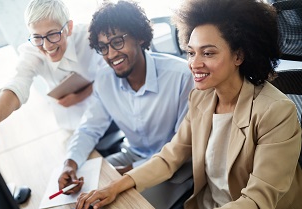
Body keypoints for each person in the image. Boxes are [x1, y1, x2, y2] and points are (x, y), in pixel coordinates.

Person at [75, 0, 302, 208]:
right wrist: (114, 186)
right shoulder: (201, 98)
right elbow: (169, 157)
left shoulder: (277, 112)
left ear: (239, 56)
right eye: (191, 53)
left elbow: (257, 200)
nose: (194, 64)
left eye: (208, 53)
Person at [58, 0, 194, 200]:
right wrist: (70, 163)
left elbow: (180, 151)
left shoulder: (181, 76)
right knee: (78, 193)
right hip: (132, 154)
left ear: (139, 36)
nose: (111, 54)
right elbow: (89, 127)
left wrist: (125, 174)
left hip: (173, 168)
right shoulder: (104, 78)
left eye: (117, 42)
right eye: (103, 47)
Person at [0, 0, 107, 150]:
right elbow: (18, 82)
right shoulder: (32, 51)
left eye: (53, 34)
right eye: (37, 37)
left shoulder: (88, 37)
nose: (47, 46)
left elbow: (111, 74)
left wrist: (83, 94)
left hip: (105, 119)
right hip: (71, 127)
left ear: (68, 28)